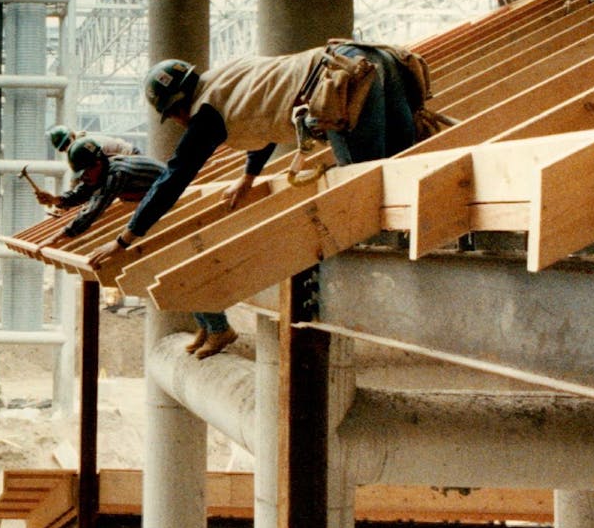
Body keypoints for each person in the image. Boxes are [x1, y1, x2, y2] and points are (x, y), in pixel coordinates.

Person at [89, 45, 416, 273]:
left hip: (341, 86)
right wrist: (248, 177)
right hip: (374, 58)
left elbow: (175, 176)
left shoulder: (205, 114)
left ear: (175, 108)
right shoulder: (226, 78)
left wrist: (124, 240)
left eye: (173, 118)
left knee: (366, 192)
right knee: (403, 168)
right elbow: (263, 124)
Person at [59, 138, 237, 358]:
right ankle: (209, 327)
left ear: (96, 164)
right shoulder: (107, 169)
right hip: (165, 212)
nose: (84, 179)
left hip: (177, 210)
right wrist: (61, 201)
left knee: (189, 273)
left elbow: (95, 209)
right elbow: (87, 189)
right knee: (181, 274)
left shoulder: (117, 174)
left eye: (85, 173)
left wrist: (66, 233)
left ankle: (220, 329)